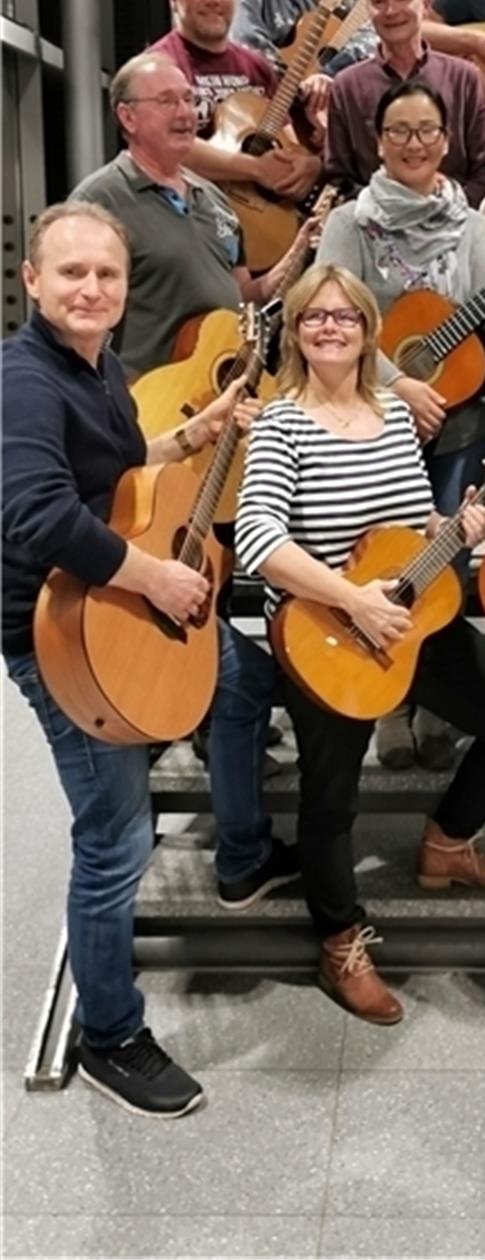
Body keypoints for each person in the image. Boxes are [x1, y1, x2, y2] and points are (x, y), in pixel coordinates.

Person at [2, 204, 297, 1119]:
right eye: (72, 274)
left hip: (110, 597)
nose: (91, 289)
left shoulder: (95, 365)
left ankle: (242, 856)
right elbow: (37, 516)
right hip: (64, 633)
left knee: (242, 680)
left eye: (107, 275)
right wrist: (160, 582)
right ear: (32, 282)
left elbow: (117, 471)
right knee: (116, 837)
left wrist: (195, 432)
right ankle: (110, 1035)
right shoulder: (23, 381)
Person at [235, 262, 485, 1023]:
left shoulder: (392, 414)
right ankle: (339, 940)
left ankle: (447, 841)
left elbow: (412, 530)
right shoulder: (281, 422)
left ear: (369, 331)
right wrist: (353, 600)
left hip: (410, 623)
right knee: (331, 798)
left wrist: (459, 530)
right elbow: (256, 539)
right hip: (327, 636)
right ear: (296, 331)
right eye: (315, 316)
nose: (330, 326)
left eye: (346, 316)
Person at [317, 78, 485, 770]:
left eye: (426, 131)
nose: (414, 144)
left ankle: (434, 701)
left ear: (446, 141)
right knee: (379, 560)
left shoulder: (473, 223)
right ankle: (387, 706)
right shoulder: (351, 224)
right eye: (399, 132)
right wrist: (400, 384)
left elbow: (480, 327)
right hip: (371, 425)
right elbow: (328, 319)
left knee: (436, 568)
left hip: (460, 424)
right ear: (377, 142)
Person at [72, 52, 307, 378]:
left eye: (188, 99)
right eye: (166, 101)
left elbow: (241, 295)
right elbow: (70, 315)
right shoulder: (98, 201)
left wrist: (299, 252)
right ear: (127, 117)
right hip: (145, 403)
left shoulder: (213, 196)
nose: (185, 112)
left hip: (212, 394)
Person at [151, 0, 322, 203]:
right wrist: (255, 169)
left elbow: (288, 141)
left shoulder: (257, 67)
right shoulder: (157, 67)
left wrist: (309, 165)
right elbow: (167, 146)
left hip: (263, 224)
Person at [325, 0, 485, 207]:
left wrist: (445, 213)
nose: (391, 11)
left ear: (425, 5)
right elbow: (338, 177)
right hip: (375, 232)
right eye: (378, 1)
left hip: (454, 227)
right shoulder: (346, 87)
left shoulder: (465, 79)